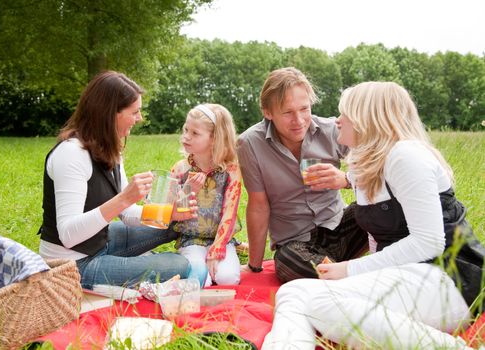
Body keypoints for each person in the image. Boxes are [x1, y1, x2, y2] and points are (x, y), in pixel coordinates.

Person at [262, 81, 485, 349]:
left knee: (314, 300)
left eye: (344, 113)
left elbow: (429, 242)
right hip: (405, 278)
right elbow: (377, 239)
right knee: (294, 292)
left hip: (449, 281)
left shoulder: (406, 156)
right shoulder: (368, 165)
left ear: (367, 118)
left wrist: (350, 270)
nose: (337, 120)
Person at [38, 71, 193, 289]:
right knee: (179, 265)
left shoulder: (110, 148)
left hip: (101, 242)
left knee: (172, 224)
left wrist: (171, 213)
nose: (140, 118)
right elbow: (68, 234)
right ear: (111, 114)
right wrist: (124, 198)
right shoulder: (71, 154)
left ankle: (131, 264)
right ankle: (129, 267)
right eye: (135, 112)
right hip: (72, 265)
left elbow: (127, 215)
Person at [237, 67, 367, 282]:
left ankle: (340, 274)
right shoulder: (250, 143)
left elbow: (378, 169)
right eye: (288, 112)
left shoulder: (331, 130)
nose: (299, 120)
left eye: (304, 109)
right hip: (296, 244)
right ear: (268, 112)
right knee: (289, 261)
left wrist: (345, 180)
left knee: (380, 208)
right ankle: (349, 276)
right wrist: (255, 266)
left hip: (338, 226)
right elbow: (258, 205)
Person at [170, 103, 242, 287]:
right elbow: (172, 213)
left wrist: (217, 250)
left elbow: (229, 214)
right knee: (202, 280)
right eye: (186, 129)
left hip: (221, 239)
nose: (186, 136)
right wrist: (188, 190)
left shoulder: (231, 170)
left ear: (214, 139)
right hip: (191, 239)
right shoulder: (180, 169)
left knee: (228, 279)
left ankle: (235, 249)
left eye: (195, 133)